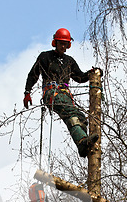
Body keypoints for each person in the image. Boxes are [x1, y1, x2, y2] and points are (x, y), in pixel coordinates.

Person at [23, 28, 101, 158]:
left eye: (65, 44)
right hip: (51, 93)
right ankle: (82, 141)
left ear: (68, 45)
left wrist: (91, 74)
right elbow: (33, 75)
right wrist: (27, 92)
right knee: (71, 113)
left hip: (66, 95)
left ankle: (83, 144)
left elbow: (79, 77)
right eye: (61, 43)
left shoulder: (69, 61)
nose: (63, 46)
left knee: (80, 118)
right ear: (55, 42)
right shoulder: (45, 57)